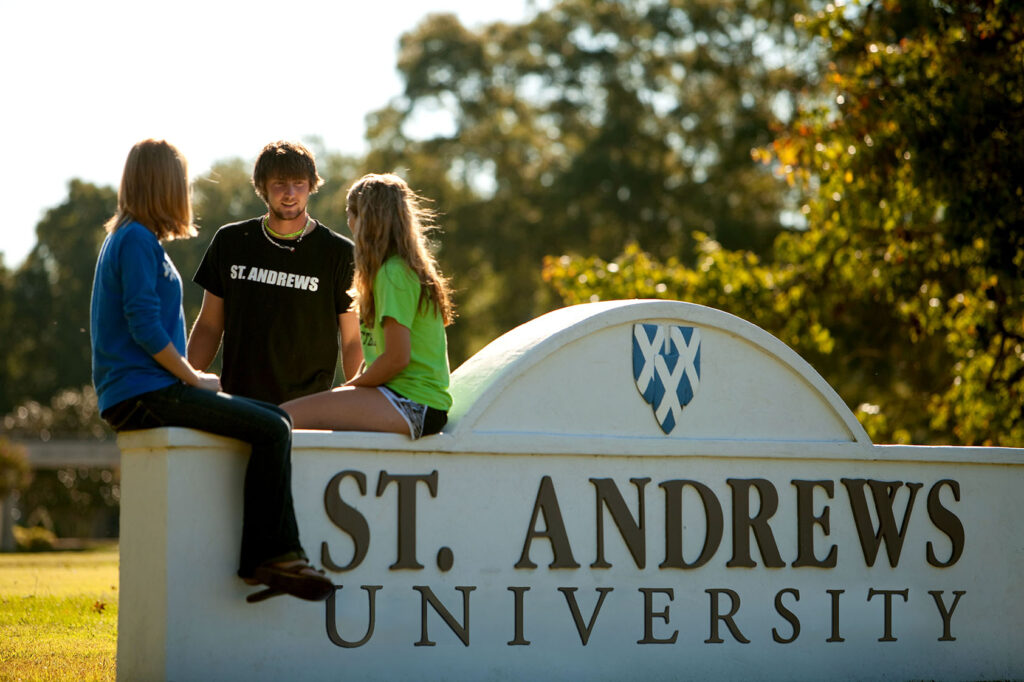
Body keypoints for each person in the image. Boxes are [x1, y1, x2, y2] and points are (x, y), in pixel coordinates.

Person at [90, 139, 332, 603]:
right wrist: (190, 377)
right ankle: (272, 557)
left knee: (272, 421)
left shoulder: (129, 237)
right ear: (163, 183)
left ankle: (272, 557)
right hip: (146, 392)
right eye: (181, 180)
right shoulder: (137, 239)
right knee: (272, 426)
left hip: (138, 392)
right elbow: (142, 325)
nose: (186, 189)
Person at [188, 140, 362, 405]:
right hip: (239, 403)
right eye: (280, 183)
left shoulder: (339, 253)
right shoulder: (231, 241)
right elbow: (210, 325)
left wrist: (355, 403)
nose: (290, 193)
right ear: (263, 186)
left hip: (308, 409)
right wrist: (186, 382)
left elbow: (352, 341)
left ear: (311, 184)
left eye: (299, 183)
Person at [282, 173, 454, 438]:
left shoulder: (393, 273)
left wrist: (353, 386)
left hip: (413, 404)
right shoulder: (394, 270)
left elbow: (397, 357)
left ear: (365, 220)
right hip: (402, 398)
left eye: (351, 214)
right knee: (292, 415)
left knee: (282, 417)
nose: (348, 222)